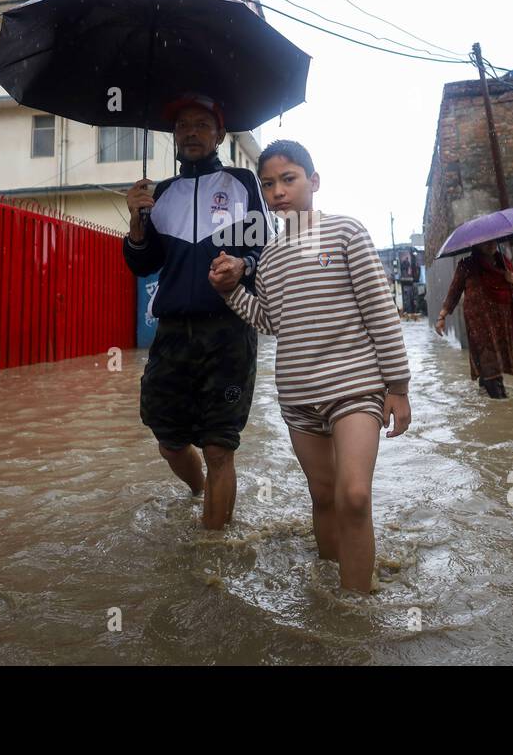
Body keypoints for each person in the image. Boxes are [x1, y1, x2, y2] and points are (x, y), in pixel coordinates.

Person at [208, 140, 411, 593]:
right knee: (323, 497)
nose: (279, 191)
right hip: (298, 399)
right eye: (269, 184)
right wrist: (229, 293)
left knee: (353, 496)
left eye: (289, 179)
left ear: (313, 181)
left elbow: (380, 310)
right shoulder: (272, 258)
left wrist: (397, 386)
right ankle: (330, 596)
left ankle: (356, 608)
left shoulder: (345, 233)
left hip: (355, 389)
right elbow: (270, 321)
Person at [122, 93, 268, 529]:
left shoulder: (243, 182)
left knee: (219, 446)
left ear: (220, 134)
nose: (191, 132)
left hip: (229, 331)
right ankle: (201, 492)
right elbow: (142, 264)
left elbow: (265, 248)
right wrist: (135, 220)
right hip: (172, 334)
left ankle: (213, 552)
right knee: (168, 440)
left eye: (202, 124)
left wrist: (244, 264)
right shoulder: (159, 194)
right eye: (183, 125)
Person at [434, 241, 513, 398]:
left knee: (496, 360)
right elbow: (454, 291)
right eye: (485, 243)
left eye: (493, 242)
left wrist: (512, 280)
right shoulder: (467, 265)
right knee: (488, 359)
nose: (490, 245)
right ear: (476, 245)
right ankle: (502, 403)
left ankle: (485, 389)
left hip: (501, 322)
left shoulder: (503, 263)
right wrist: (442, 316)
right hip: (480, 323)